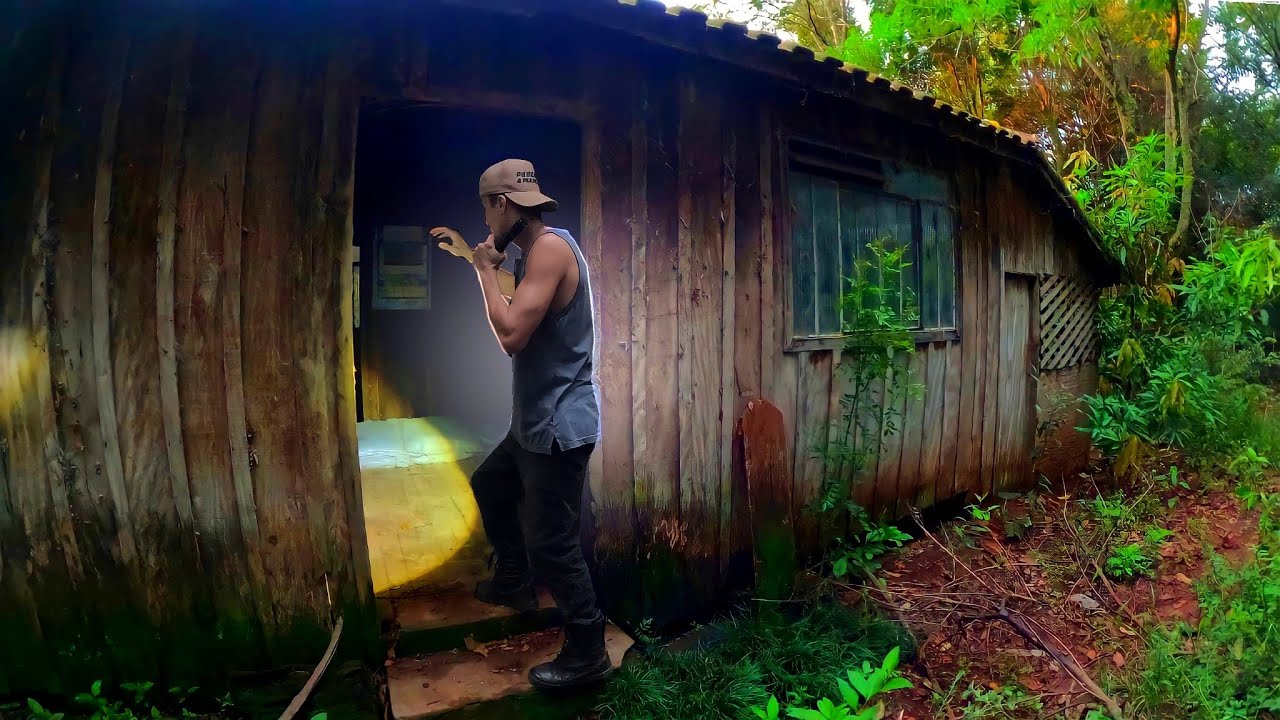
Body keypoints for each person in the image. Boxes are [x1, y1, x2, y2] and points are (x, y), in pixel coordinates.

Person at [430, 159, 610, 691]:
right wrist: (486, 264)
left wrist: (483, 269)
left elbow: (511, 335)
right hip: (534, 423)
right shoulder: (539, 254)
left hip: (558, 427)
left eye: (488, 208)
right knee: (490, 482)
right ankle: (513, 580)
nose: (486, 222)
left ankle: (588, 651)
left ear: (502, 204)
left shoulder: (551, 249)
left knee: (552, 542)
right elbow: (523, 306)